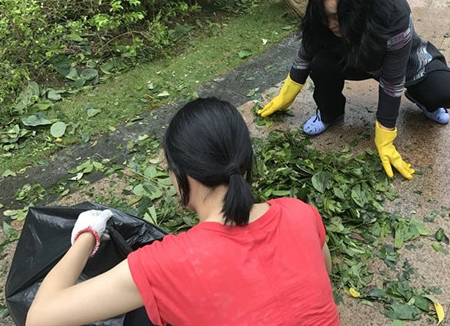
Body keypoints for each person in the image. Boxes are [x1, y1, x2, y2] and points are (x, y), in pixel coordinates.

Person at [26, 97, 339, 326]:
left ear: (181, 177)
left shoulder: (172, 263)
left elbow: (40, 318)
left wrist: (88, 235)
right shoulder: (301, 213)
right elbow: (323, 271)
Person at [258, 0, 450, 180]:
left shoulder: (394, 12)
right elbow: (308, 47)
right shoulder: (324, 18)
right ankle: (331, 111)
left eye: (338, 17)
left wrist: (385, 134)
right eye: (326, 15)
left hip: (403, 63)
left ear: (359, 8)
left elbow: (392, 80)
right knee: (321, 62)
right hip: (355, 60)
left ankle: (420, 97)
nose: (331, 24)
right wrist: (288, 90)